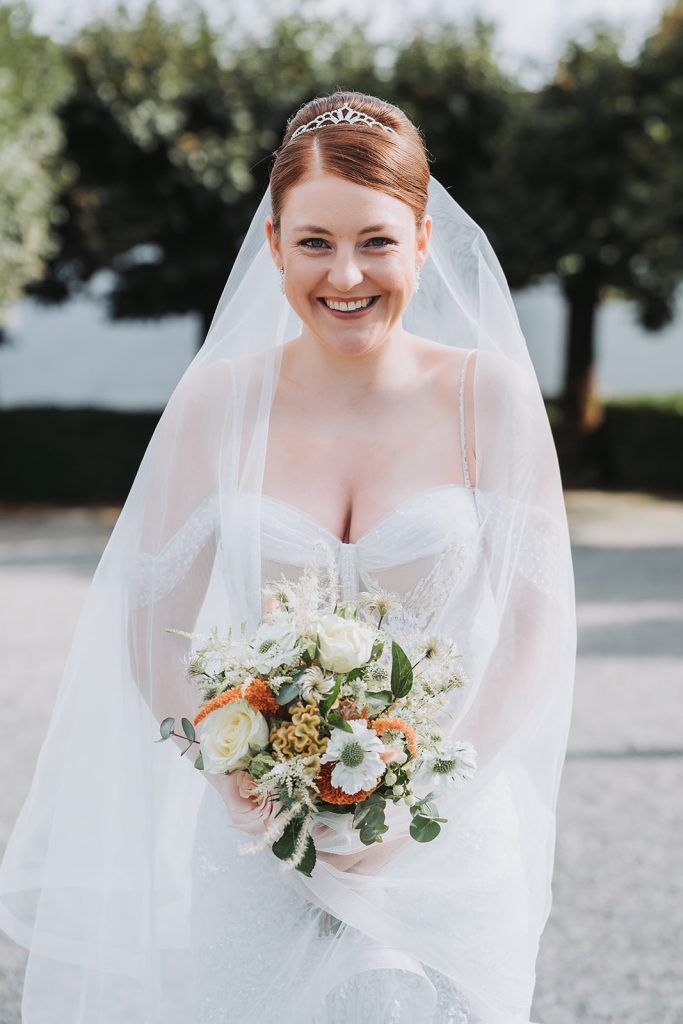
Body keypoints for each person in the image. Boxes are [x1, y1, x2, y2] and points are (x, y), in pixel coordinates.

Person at [0, 91, 577, 1023]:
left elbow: (534, 633)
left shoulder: (491, 400)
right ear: (273, 245)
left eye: (376, 241)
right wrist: (229, 765)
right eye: (314, 242)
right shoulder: (215, 405)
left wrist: (420, 799)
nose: (345, 274)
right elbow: (151, 622)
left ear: (422, 242)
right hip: (257, 841)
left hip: (445, 840)